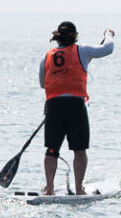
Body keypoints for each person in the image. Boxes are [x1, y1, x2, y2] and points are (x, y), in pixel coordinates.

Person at [37, 22, 115, 195]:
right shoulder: (83, 50)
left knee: (51, 149)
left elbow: (43, 83)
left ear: (57, 37)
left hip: (53, 106)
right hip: (75, 106)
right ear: (75, 36)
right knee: (79, 150)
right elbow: (108, 48)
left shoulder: (47, 56)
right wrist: (108, 34)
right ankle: (79, 189)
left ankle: (49, 189)